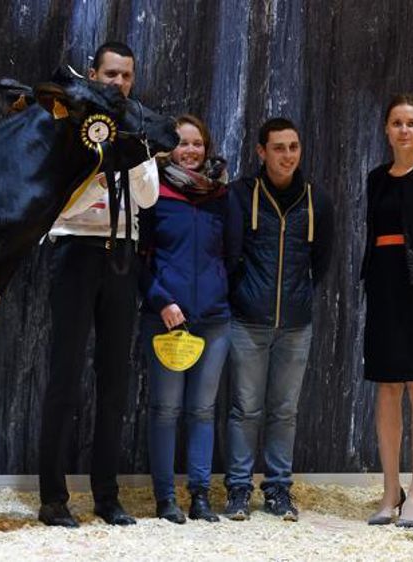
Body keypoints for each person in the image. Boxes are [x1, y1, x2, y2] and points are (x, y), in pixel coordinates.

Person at [37, 40, 159, 527]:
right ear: (92, 74)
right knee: (64, 377)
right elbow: (56, 199)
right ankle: (53, 498)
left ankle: (107, 496)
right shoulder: (70, 125)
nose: (119, 84)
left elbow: (147, 197)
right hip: (74, 249)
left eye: (126, 76)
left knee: (114, 381)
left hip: (122, 254)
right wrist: (101, 166)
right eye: (111, 75)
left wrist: (128, 154)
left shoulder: (136, 126)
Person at [223, 117, 333, 521]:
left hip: (295, 325)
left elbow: (321, 261)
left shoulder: (316, 200)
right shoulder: (240, 195)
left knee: (285, 411)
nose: (288, 155)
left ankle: (278, 490)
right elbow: (230, 254)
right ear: (261, 152)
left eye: (294, 147)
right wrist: (245, 295)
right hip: (248, 321)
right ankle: (238, 489)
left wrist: (298, 296)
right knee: (245, 409)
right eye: (279, 148)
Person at [138, 115, 229, 524]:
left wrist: (219, 294)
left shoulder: (220, 195)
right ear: (169, 149)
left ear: (206, 148)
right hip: (166, 319)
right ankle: (164, 499)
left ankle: (200, 496)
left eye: (198, 143)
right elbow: (138, 259)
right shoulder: (153, 192)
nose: (190, 151)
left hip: (213, 320)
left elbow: (232, 253)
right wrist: (161, 300)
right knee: (165, 410)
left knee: (203, 411)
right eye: (182, 143)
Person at [362, 94, 413, 528]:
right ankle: (391, 491)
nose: (404, 129)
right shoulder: (375, 178)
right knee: (387, 389)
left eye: (412, 122)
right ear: (386, 130)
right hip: (385, 288)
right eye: (396, 122)